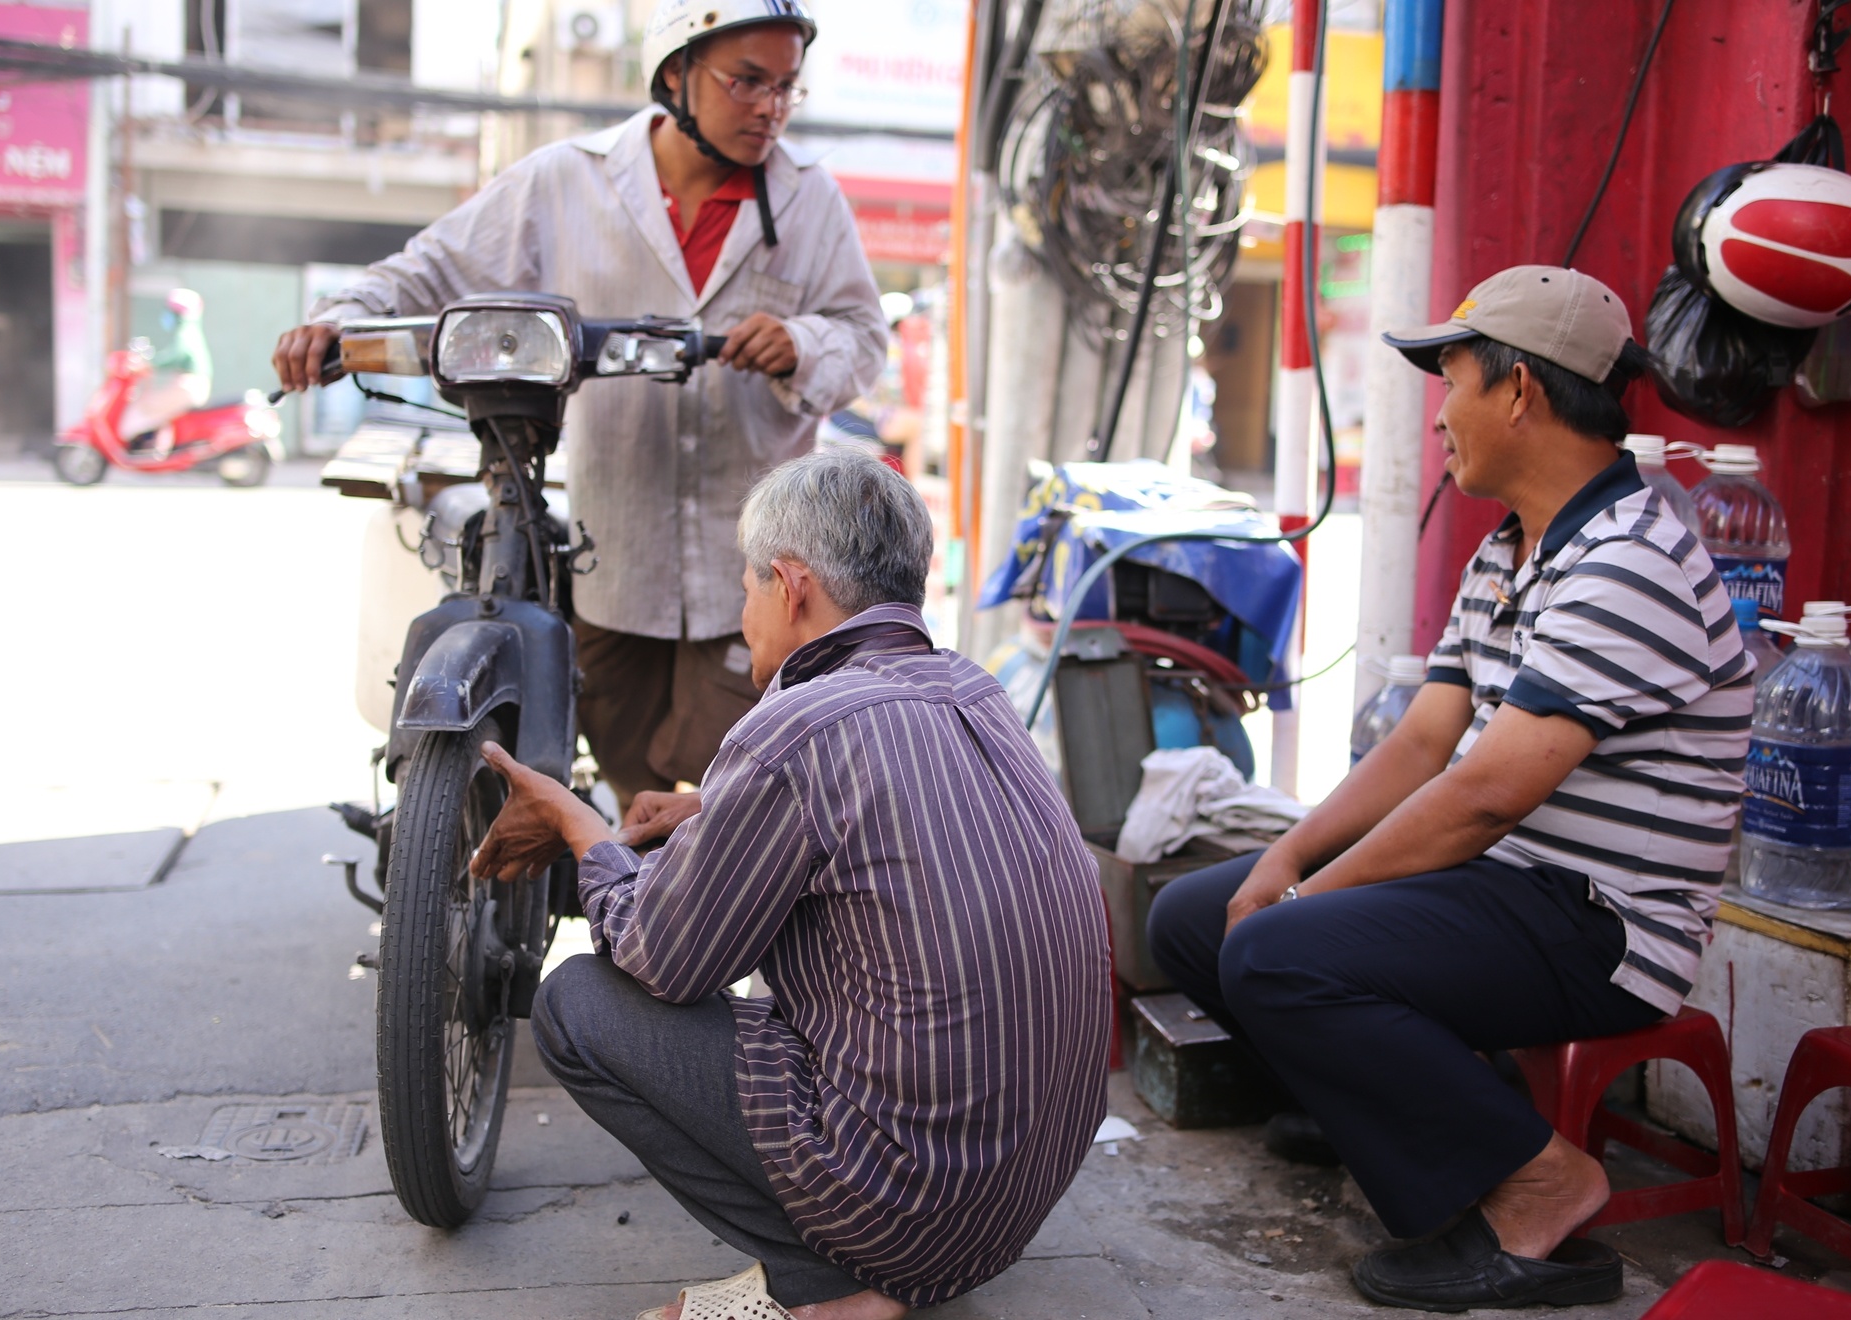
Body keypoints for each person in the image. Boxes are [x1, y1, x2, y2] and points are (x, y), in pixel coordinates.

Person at [1148, 266, 1755, 1311]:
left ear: (1521, 392)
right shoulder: (1514, 547)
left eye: (1456, 383)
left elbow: (1489, 794)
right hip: (1505, 887)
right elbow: (1427, 741)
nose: (1441, 419)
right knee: (1196, 917)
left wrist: (1303, 905)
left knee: (1277, 949)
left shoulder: (1631, 560)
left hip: (1597, 924)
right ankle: (1371, 1107)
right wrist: (1290, 858)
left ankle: (1541, 1185)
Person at [469, 450, 1111, 1320]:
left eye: (747, 589)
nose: (744, 618)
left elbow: (666, 960)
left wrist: (581, 825)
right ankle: (884, 1267)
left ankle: (830, 1281)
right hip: (1019, 1198)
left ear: (790, 584)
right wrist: (711, 811)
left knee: (577, 1003)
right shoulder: (974, 690)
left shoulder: (792, 727)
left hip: (917, 1214)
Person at [271, 0, 885, 804]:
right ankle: (643, 918)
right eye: (746, 82)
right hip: (613, 558)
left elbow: (865, 338)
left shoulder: (810, 200)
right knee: (628, 779)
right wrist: (340, 318)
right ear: (676, 76)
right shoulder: (565, 181)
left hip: (755, 571)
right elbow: (432, 269)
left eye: (785, 88)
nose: (770, 108)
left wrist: (805, 343)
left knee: (730, 791)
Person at [122, 288, 213, 456]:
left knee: (146, 407)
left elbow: (177, 355)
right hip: (190, 386)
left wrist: (151, 362)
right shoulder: (189, 331)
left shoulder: (185, 332)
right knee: (162, 414)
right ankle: (154, 448)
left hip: (188, 386)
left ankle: (142, 448)